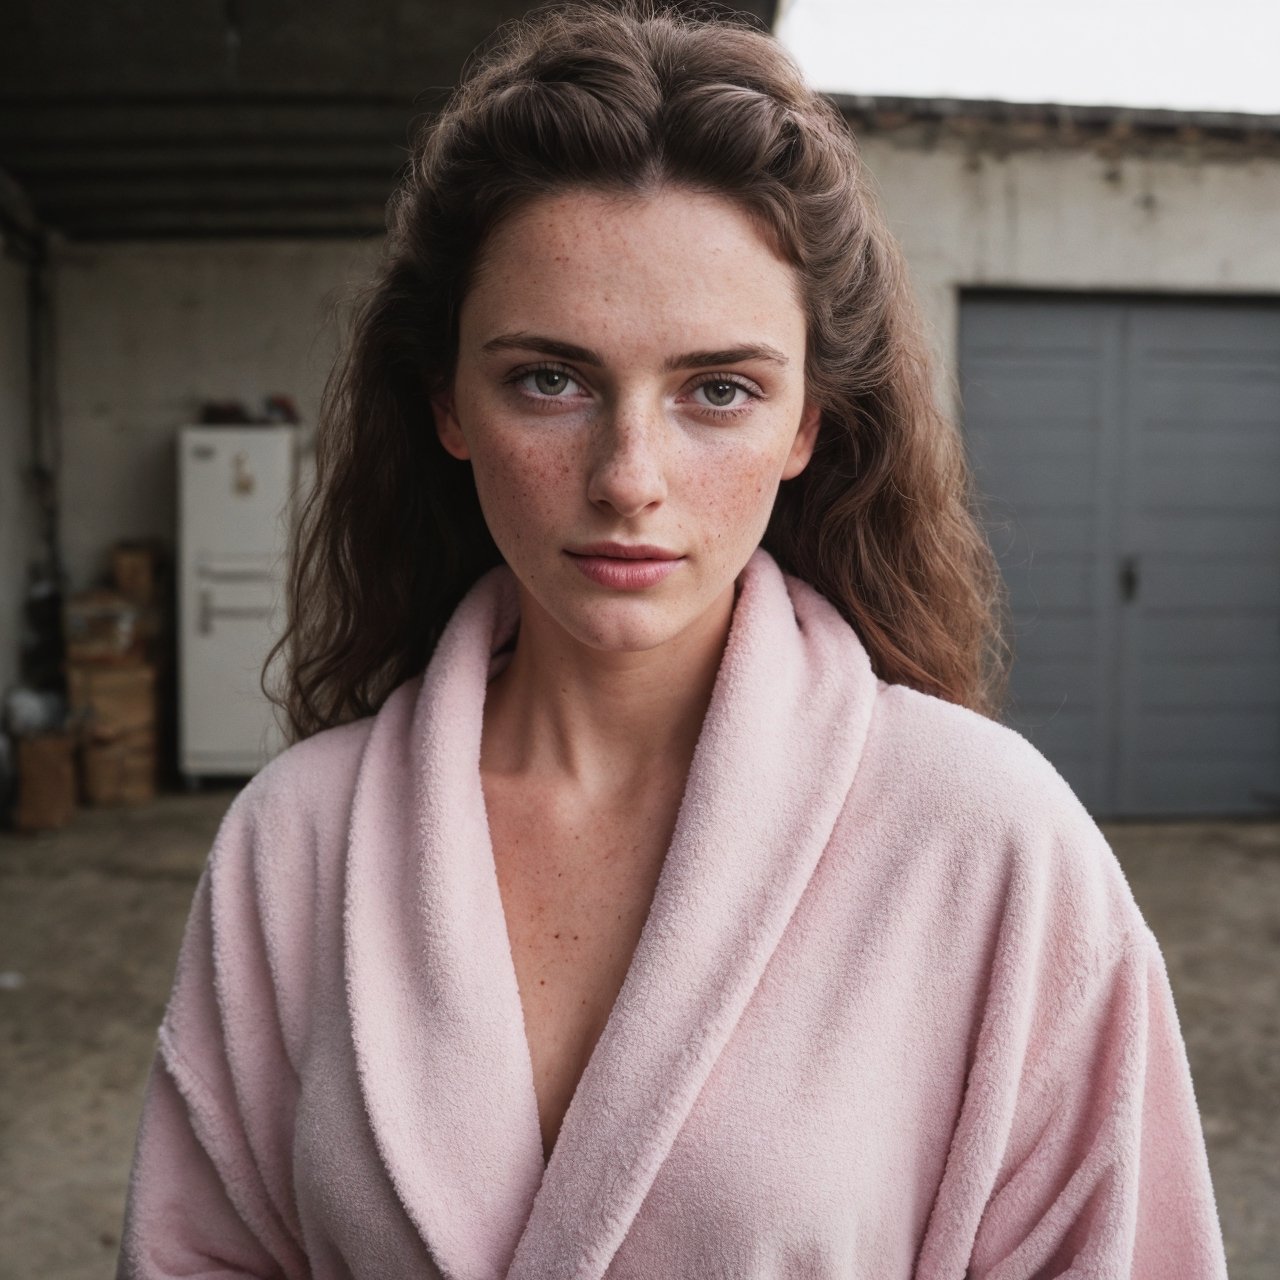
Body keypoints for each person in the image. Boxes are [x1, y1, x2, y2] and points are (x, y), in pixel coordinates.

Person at [118, 3, 1230, 1277]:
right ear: (447, 404)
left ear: (808, 423)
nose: (627, 477)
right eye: (551, 377)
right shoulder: (294, 839)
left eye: (718, 389)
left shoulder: (988, 845)